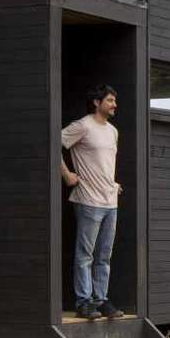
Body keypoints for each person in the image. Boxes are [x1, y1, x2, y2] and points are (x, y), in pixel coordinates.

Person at [60, 83, 123, 319]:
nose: (114, 104)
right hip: (88, 200)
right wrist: (67, 175)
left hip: (110, 202)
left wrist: (114, 184)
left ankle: (101, 299)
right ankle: (84, 301)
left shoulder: (113, 131)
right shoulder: (83, 126)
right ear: (97, 103)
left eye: (114, 101)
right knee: (85, 254)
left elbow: (105, 163)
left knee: (104, 256)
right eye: (110, 100)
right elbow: (52, 142)